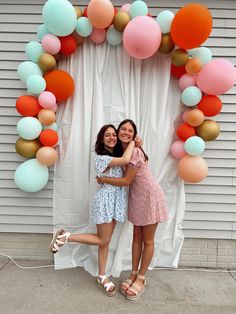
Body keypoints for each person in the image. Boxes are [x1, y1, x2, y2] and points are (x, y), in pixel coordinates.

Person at [49, 124, 135, 297]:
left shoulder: (117, 154)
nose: (111, 137)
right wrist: (134, 141)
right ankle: (65, 237)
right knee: (103, 240)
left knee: (105, 241)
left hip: (117, 200)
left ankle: (102, 275)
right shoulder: (101, 157)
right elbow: (126, 161)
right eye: (107, 135)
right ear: (101, 139)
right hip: (105, 201)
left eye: (113, 135)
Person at [97, 119, 169, 301]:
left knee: (148, 240)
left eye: (130, 130)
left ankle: (141, 279)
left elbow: (126, 181)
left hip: (150, 196)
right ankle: (133, 273)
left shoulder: (135, 151)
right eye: (123, 129)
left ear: (134, 133)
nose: (126, 132)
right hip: (136, 197)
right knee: (136, 236)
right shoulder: (124, 152)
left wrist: (103, 179)